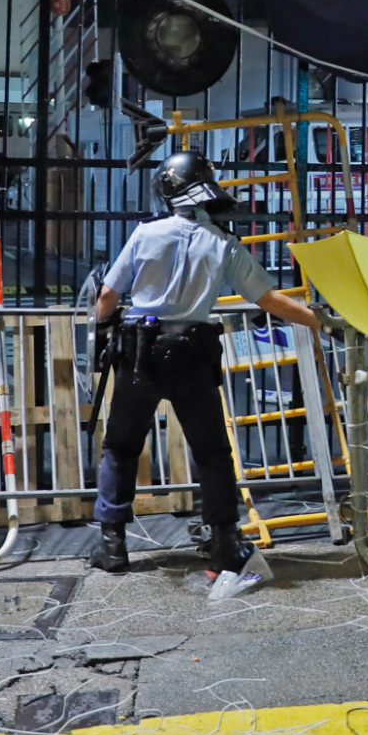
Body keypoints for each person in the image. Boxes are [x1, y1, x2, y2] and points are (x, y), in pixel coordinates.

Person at [89, 151, 328, 577]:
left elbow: (107, 296)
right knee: (213, 454)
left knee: (121, 448)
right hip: (194, 357)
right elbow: (269, 300)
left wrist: (104, 328)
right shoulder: (223, 242)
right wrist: (324, 321)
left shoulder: (146, 235)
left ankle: (112, 546)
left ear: (167, 189)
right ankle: (223, 543)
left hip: (140, 354)